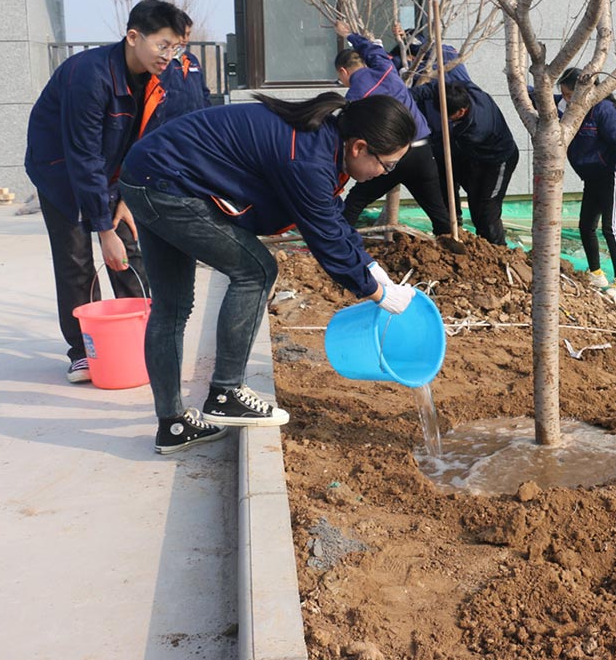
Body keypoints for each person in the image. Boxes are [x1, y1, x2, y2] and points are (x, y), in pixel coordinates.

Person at [118, 91, 418, 454]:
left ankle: (172, 424)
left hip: (146, 173)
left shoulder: (323, 141)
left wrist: (372, 268)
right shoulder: (307, 158)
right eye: (387, 165)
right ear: (359, 148)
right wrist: (379, 294)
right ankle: (226, 393)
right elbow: (327, 242)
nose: (385, 173)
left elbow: (330, 215)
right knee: (256, 271)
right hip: (167, 185)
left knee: (171, 307)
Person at [25, 0, 202, 384]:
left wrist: (125, 198)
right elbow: (83, 155)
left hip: (113, 168)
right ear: (133, 37)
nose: (169, 56)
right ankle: (83, 350)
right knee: (76, 258)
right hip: (60, 169)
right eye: (162, 45)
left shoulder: (162, 78)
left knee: (131, 249)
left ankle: (144, 339)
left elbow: (150, 143)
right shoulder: (88, 76)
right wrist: (103, 229)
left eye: (175, 47)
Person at [332, 20, 453, 235]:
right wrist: (349, 34)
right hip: (422, 150)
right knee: (437, 211)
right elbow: (372, 49)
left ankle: (337, 240)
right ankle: (450, 244)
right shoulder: (386, 69)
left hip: (388, 156)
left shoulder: (355, 97)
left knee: (356, 201)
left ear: (343, 71)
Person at [558, 68, 616, 300]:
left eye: (569, 94)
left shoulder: (602, 110)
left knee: (611, 228)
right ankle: (596, 273)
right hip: (590, 177)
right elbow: (539, 97)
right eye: (563, 94)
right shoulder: (569, 108)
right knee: (585, 226)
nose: (566, 99)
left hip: (610, 175)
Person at [413, 79, 519, 245]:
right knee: (473, 200)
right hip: (477, 158)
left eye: (448, 116)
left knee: (487, 209)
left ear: (461, 111)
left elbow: (446, 143)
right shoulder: (469, 90)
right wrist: (408, 95)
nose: (444, 119)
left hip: (499, 160)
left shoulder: (475, 129)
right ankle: (457, 227)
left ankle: (497, 248)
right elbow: (437, 86)